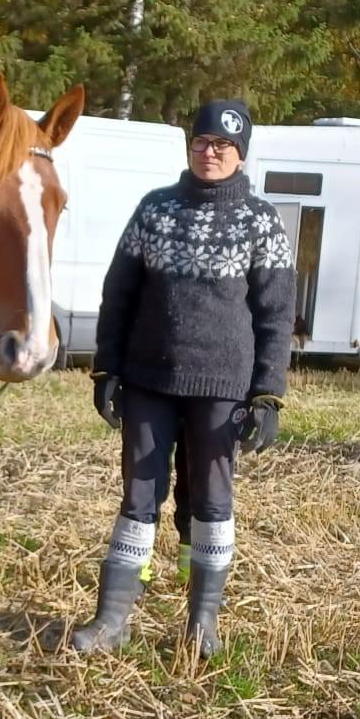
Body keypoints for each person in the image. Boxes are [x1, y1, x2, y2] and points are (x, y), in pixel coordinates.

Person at [73, 99, 295, 657]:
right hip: (149, 381)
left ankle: (202, 626)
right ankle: (112, 621)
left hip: (224, 390)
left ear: (240, 155)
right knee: (138, 498)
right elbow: (117, 294)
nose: (210, 152)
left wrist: (268, 395)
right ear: (189, 147)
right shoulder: (154, 209)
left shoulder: (261, 221)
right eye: (201, 142)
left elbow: (275, 315)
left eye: (223, 145)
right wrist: (108, 368)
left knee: (212, 505)